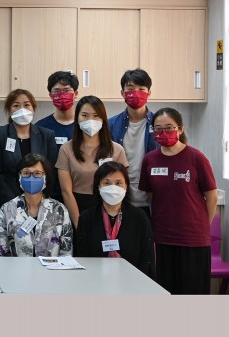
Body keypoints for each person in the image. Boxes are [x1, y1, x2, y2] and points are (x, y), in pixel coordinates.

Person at [138, 108, 218, 294]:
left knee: (193, 292)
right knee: (167, 291)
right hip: (163, 236)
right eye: (157, 129)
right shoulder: (150, 160)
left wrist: (202, 226)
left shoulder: (196, 157)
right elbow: (151, 195)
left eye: (169, 128)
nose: (163, 133)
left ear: (180, 129)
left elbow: (212, 196)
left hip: (193, 239)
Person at [56, 95, 128, 227]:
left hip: (109, 206)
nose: (90, 120)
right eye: (84, 115)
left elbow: (122, 186)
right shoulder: (66, 149)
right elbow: (66, 191)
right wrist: (79, 223)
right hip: (77, 206)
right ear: (77, 118)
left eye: (96, 115)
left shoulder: (117, 150)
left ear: (103, 119)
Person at [76, 162, 154, 277]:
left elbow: (147, 258)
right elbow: (82, 257)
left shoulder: (139, 217)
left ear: (126, 186)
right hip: (95, 281)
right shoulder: (86, 218)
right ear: (98, 186)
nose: (113, 188)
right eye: (107, 183)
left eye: (118, 183)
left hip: (133, 282)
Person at [0, 89, 58, 216]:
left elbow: (51, 172)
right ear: (9, 110)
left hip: (38, 205)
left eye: (26, 105)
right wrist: (14, 204)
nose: (22, 109)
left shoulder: (47, 135)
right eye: (16, 105)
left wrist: (36, 201)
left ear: (33, 108)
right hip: (3, 204)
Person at [0, 153, 72, 257]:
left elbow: (66, 253)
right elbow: (1, 253)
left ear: (46, 178)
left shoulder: (60, 210)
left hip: (52, 272)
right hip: (17, 271)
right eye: (26, 173)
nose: (31, 178)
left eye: (37, 173)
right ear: (19, 178)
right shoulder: (7, 210)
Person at [108, 68, 159, 218]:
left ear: (149, 93)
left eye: (141, 89)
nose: (136, 93)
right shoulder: (110, 125)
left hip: (153, 198)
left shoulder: (160, 124)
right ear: (122, 93)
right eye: (130, 89)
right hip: (119, 197)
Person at [36, 70, 79, 145]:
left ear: (75, 94)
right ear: (51, 96)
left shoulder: (84, 125)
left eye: (66, 90)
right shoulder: (40, 127)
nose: (62, 95)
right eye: (57, 91)